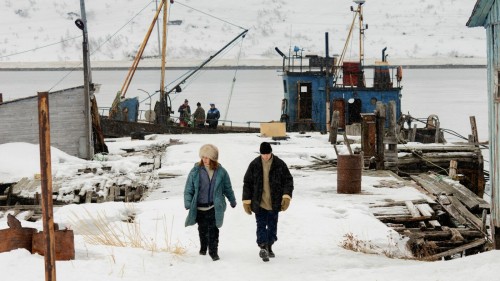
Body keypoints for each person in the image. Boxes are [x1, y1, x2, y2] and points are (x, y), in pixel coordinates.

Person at [242, 142, 294, 262]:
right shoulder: (254, 164)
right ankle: (263, 247)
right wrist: (246, 201)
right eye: (263, 154)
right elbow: (247, 183)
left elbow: (288, 180)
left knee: (272, 226)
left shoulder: (279, 164)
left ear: (271, 152)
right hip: (259, 202)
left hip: (274, 202)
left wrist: (286, 196)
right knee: (260, 225)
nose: (265, 156)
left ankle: (269, 246)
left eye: (267, 154)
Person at [184, 144, 237, 261]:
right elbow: (189, 189)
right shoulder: (195, 171)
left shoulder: (221, 172)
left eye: (207, 157)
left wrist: (232, 200)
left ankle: (213, 252)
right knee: (202, 229)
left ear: (213, 158)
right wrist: (188, 203)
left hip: (214, 206)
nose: (205, 160)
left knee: (213, 230)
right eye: (203, 157)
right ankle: (203, 247)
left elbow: (227, 188)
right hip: (199, 207)